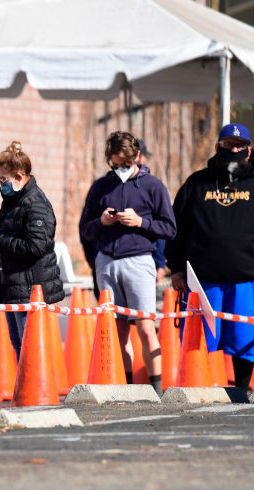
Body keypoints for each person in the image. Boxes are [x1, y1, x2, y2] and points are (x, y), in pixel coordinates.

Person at [166, 123, 254, 389]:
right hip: (203, 280)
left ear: (249, 150)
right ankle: (197, 388)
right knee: (199, 339)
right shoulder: (197, 183)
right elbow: (177, 227)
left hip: (248, 278)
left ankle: (242, 389)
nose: (233, 150)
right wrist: (175, 267)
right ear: (217, 147)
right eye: (227, 145)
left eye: (238, 146)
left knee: (244, 339)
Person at [79, 131, 176, 394]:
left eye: (124, 163)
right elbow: (85, 229)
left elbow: (169, 228)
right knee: (117, 329)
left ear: (135, 157)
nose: (119, 168)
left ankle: (156, 389)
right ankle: (129, 387)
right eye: (114, 163)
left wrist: (140, 222)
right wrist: (102, 222)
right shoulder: (100, 187)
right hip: (108, 262)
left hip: (139, 260)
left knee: (145, 326)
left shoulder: (152, 186)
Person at [0, 142, 63, 358]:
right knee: (19, 347)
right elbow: (9, 238)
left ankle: (35, 392)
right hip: (13, 287)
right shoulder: (13, 201)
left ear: (20, 177)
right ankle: (24, 391)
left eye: (3, 180)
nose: (0, 184)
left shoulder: (35, 204)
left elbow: (35, 246)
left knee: (30, 350)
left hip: (29, 288)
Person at [137, 139, 168, 285]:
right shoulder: (152, 185)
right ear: (139, 155)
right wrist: (160, 262)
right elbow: (160, 231)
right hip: (145, 259)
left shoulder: (108, 184)